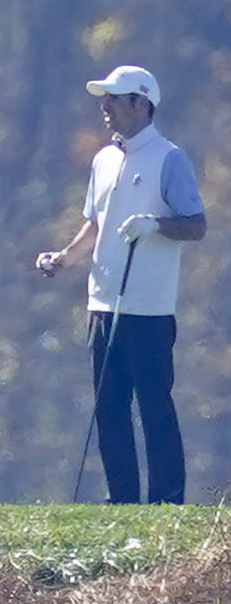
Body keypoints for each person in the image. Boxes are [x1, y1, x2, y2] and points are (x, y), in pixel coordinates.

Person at [35, 65, 206, 504]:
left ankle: (167, 500)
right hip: (104, 303)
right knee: (109, 409)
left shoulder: (169, 158)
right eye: (104, 98)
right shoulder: (103, 159)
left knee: (154, 408)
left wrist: (155, 225)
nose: (104, 106)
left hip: (148, 309)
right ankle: (122, 499)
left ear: (141, 103)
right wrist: (64, 259)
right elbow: (95, 225)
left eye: (114, 97)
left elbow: (195, 225)